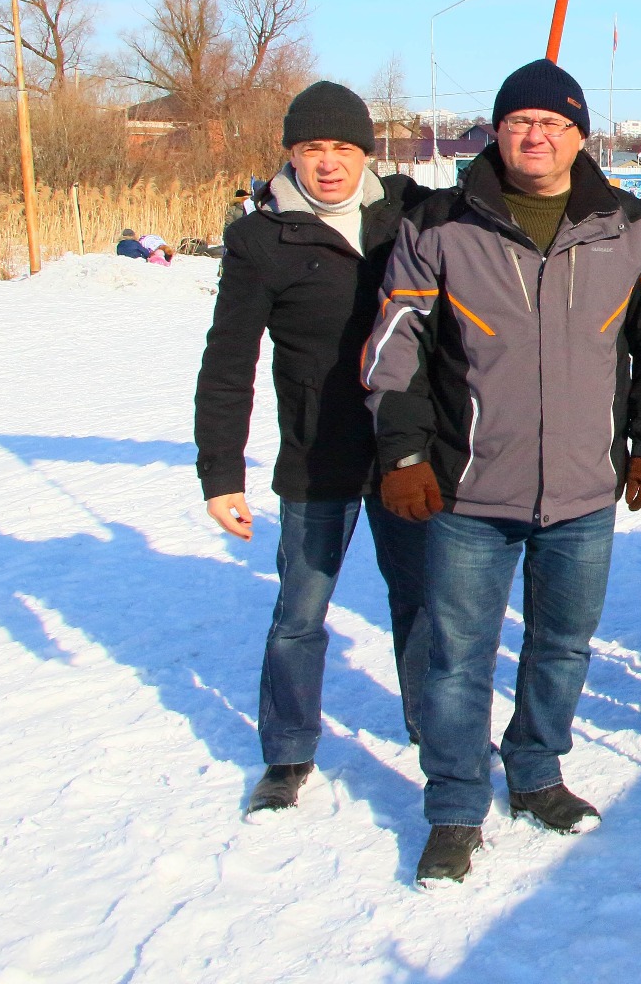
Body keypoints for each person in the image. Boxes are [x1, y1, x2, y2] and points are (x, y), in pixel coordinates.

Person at [364, 58, 641, 884]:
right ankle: (454, 807)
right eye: (520, 122)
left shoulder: (627, 225)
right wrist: (402, 454)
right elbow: (394, 349)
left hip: (582, 489)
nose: (536, 136)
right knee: (457, 657)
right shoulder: (442, 224)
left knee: (562, 647)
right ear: (497, 130)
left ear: (580, 136)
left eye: (554, 124)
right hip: (470, 488)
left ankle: (537, 771)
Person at [193, 80, 432, 816]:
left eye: (341, 147)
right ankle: (288, 752)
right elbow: (228, 362)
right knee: (300, 612)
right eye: (310, 148)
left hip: (405, 448)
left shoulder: (408, 215)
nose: (327, 163)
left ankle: (437, 732)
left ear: (366, 151)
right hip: (315, 456)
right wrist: (220, 474)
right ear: (290, 153)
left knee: (422, 603)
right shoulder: (261, 238)